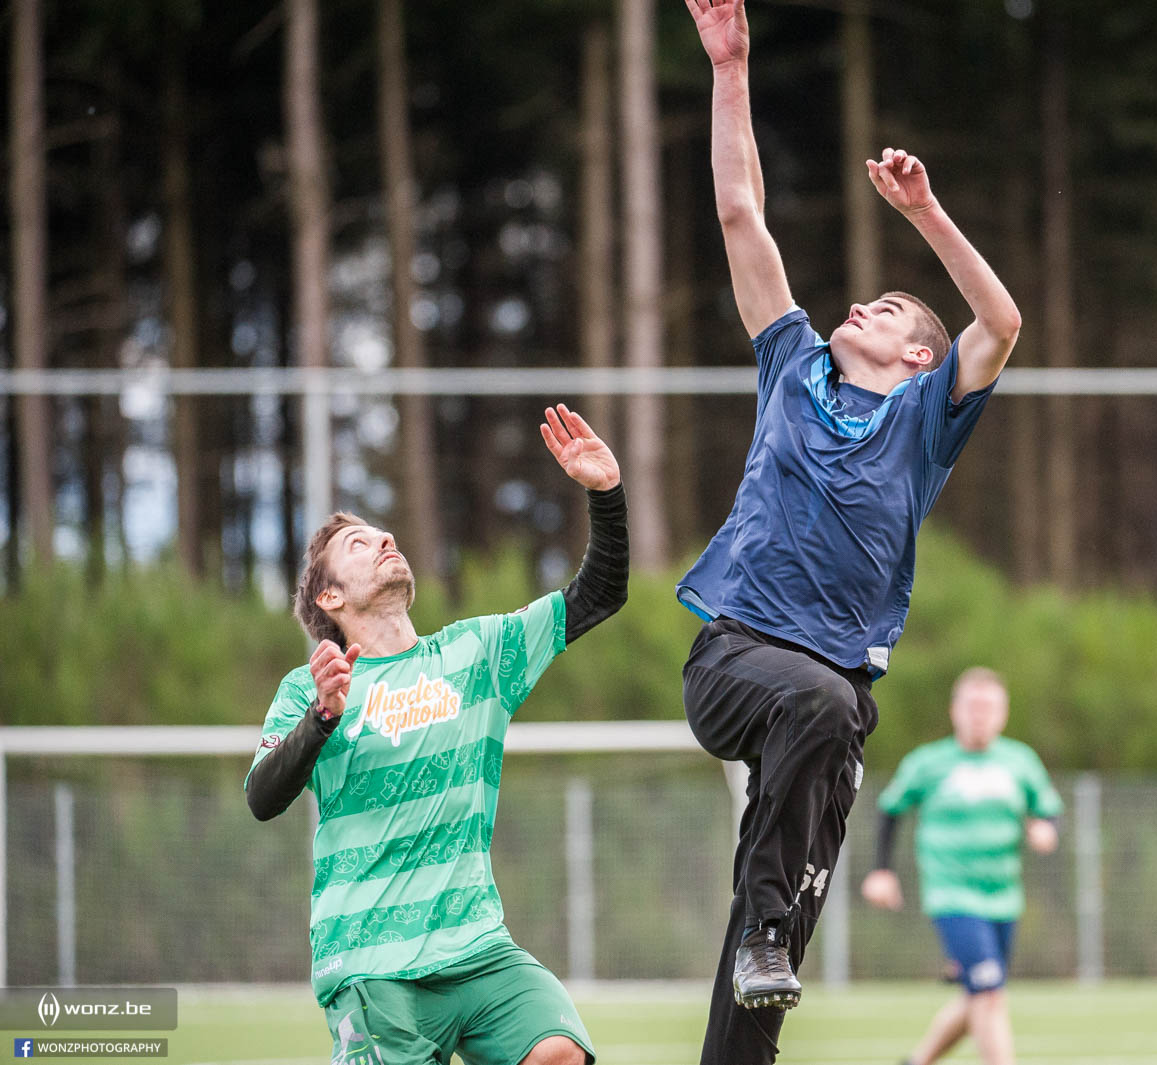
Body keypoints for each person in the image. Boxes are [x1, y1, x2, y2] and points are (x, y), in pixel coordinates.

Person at [678, 1, 1023, 1061]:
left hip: (830, 721)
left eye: (886, 308)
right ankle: (771, 928)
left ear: (919, 356)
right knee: (823, 712)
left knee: (758, 998)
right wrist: (730, 67)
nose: (860, 308)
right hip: (736, 660)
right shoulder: (791, 364)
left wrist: (924, 214)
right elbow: (741, 213)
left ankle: (762, 954)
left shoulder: (925, 417)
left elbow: (1002, 322)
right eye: (865, 299)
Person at [245, 405, 626, 1065]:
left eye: (381, 531)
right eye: (358, 544)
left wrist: (605, 495)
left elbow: (599, 594)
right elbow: (262, 796)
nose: (384, 537)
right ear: (331, 600)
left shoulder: (479, 652)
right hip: (371, 963)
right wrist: (323, 716)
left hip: (477, 947)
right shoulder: (310, 688)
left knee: (559, 1051)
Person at [861, 668, 1062, 1065]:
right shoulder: (929, 762)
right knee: (989, 993)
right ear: (955, 711)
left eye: (989, 707)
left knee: (978, 993)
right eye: (972, 706)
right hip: (952, 895)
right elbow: (889, 810)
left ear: (1003, 714)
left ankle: (917, 1061)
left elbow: (1049, 812)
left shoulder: (1020, 761)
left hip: (1004, 897)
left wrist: (1046, 830)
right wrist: (881, 871)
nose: (980, 715)